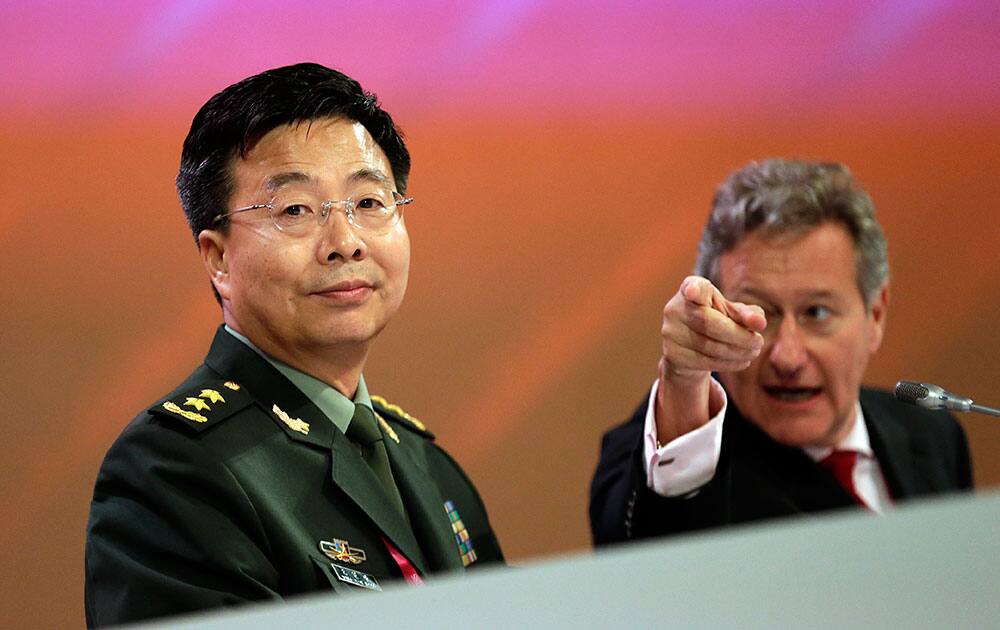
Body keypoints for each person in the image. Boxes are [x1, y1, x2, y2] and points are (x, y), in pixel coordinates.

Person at [85, 63, 503, 627]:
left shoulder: (429, 465)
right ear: (219, 258)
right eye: (295, 211)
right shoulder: (174, 469)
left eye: (370, 204)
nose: (345, 243)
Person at [589, 158, 972, 545]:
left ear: (875, 315)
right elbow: (643, 543)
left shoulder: (932, 433)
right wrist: (684, 378)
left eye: (816, 313)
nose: (787, 358)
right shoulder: (670, 453)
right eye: (760, 315)